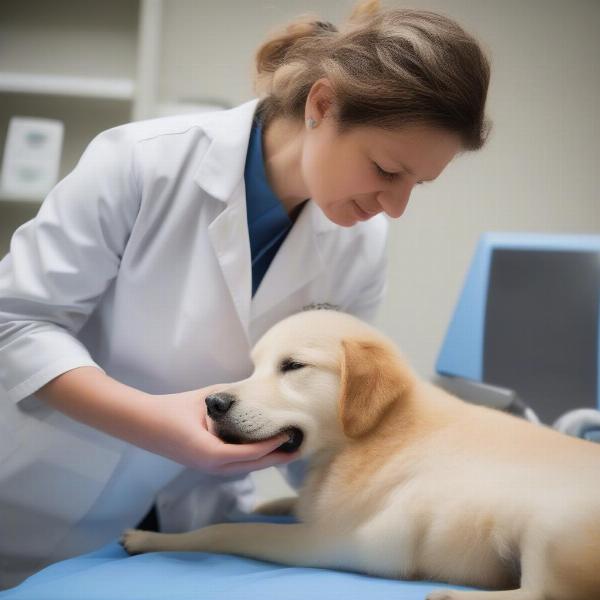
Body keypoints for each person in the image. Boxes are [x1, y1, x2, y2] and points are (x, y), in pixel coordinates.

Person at [0, 0, 490, 589]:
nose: (396, 206)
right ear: (322, 105)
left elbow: (322, 406)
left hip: (192, 520)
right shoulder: (141, 161)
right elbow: (17, 324)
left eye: (418, 184)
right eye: (387, 170)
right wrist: (155, 422)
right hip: (37, 500)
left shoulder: (360, 243)